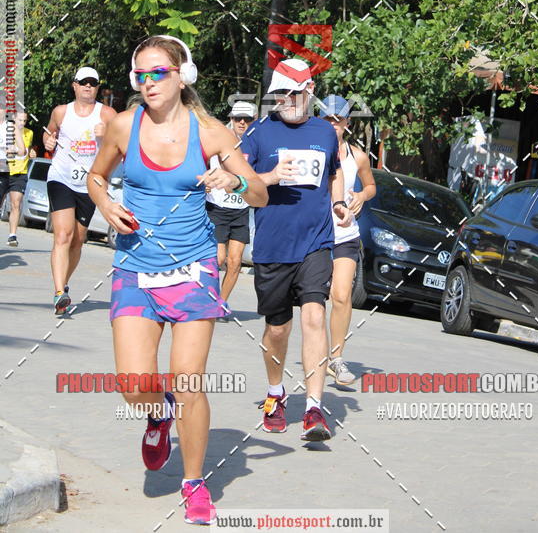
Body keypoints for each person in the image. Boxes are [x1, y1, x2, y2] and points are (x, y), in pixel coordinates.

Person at [87, 35, 267, 526]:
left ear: (181, 75)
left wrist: (233, 180)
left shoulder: (210, 133)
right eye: (140, 75)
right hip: (134, 269)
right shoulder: (123, 125)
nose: (147, 83)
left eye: (157, 73)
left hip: (193, 273)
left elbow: (259, 194)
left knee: (189, 382)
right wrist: (104, 204)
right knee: (131, 384)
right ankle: (158, 411)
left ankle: (193, 483)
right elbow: (96, 178)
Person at [242, 58, 351, 442]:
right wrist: (268, 178)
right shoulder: (258, 133)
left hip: (316, 242)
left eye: (290, 92)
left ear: (309, 91)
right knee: (277, 329)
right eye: (278, 93)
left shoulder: (326, 133)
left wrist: (338, 203)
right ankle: (275, 393)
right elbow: (238, 180)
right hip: (272, 247)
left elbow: (334, 172)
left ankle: (314, 408)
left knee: (314, 318)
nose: (284, 100)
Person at [44, 67, 116, 315]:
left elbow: (122, 145)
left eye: (93, 83)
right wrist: (48, 142)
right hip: (61, 178)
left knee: (78, 240)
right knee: (63, 235)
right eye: (83, 82)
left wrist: (107, 135)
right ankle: (59, 293)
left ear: (97, 87)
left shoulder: (106, 114)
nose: (88, 87)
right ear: (74, 85)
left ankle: (63, 282)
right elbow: (49, 133)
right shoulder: (61, 111)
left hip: (90, 182)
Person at [319, 95, 376, 387]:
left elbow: (370, 186)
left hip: (345, 233)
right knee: (314, 299)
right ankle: (315, 355)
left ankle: (337, 358)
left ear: (347, 123)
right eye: (327, 119)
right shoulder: (312, 152)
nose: (333, 125)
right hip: (315, 233)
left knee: (341, 295)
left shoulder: (358, 156)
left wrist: (361, 197)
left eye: (338, 120)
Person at [206, 100, 258, 318]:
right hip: (217, 207)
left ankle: (220, 304)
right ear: (231, 119)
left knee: (235, 261)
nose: (242, 123)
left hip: (240, 209)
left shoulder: (256, 145)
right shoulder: (219, 140)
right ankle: (207, 300)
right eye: (238, 118)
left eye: (247, 119)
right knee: (218, 259)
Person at [6, 110, 36, 247]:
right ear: (14, 119)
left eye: (24, 121)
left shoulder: (29, 133)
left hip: (20, 173)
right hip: (5, 170)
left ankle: (12, 235)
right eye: (20, 120)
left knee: (16, 203)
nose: (22, 123)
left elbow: (27, 151)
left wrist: (31, 152)